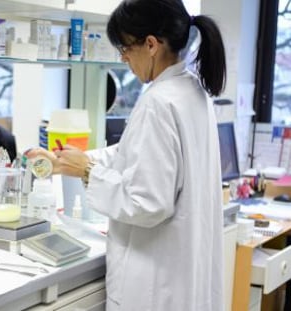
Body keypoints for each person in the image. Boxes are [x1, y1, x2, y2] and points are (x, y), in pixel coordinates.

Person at [27, 0, 226, 310]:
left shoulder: (159, 102)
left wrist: (88, 173)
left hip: (156, 284)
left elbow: (147, 203)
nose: (123, 59)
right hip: (180, 274)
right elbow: (134, 152)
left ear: (150, 45)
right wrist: (72, 161)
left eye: (124, 48)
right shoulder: (191, 92)